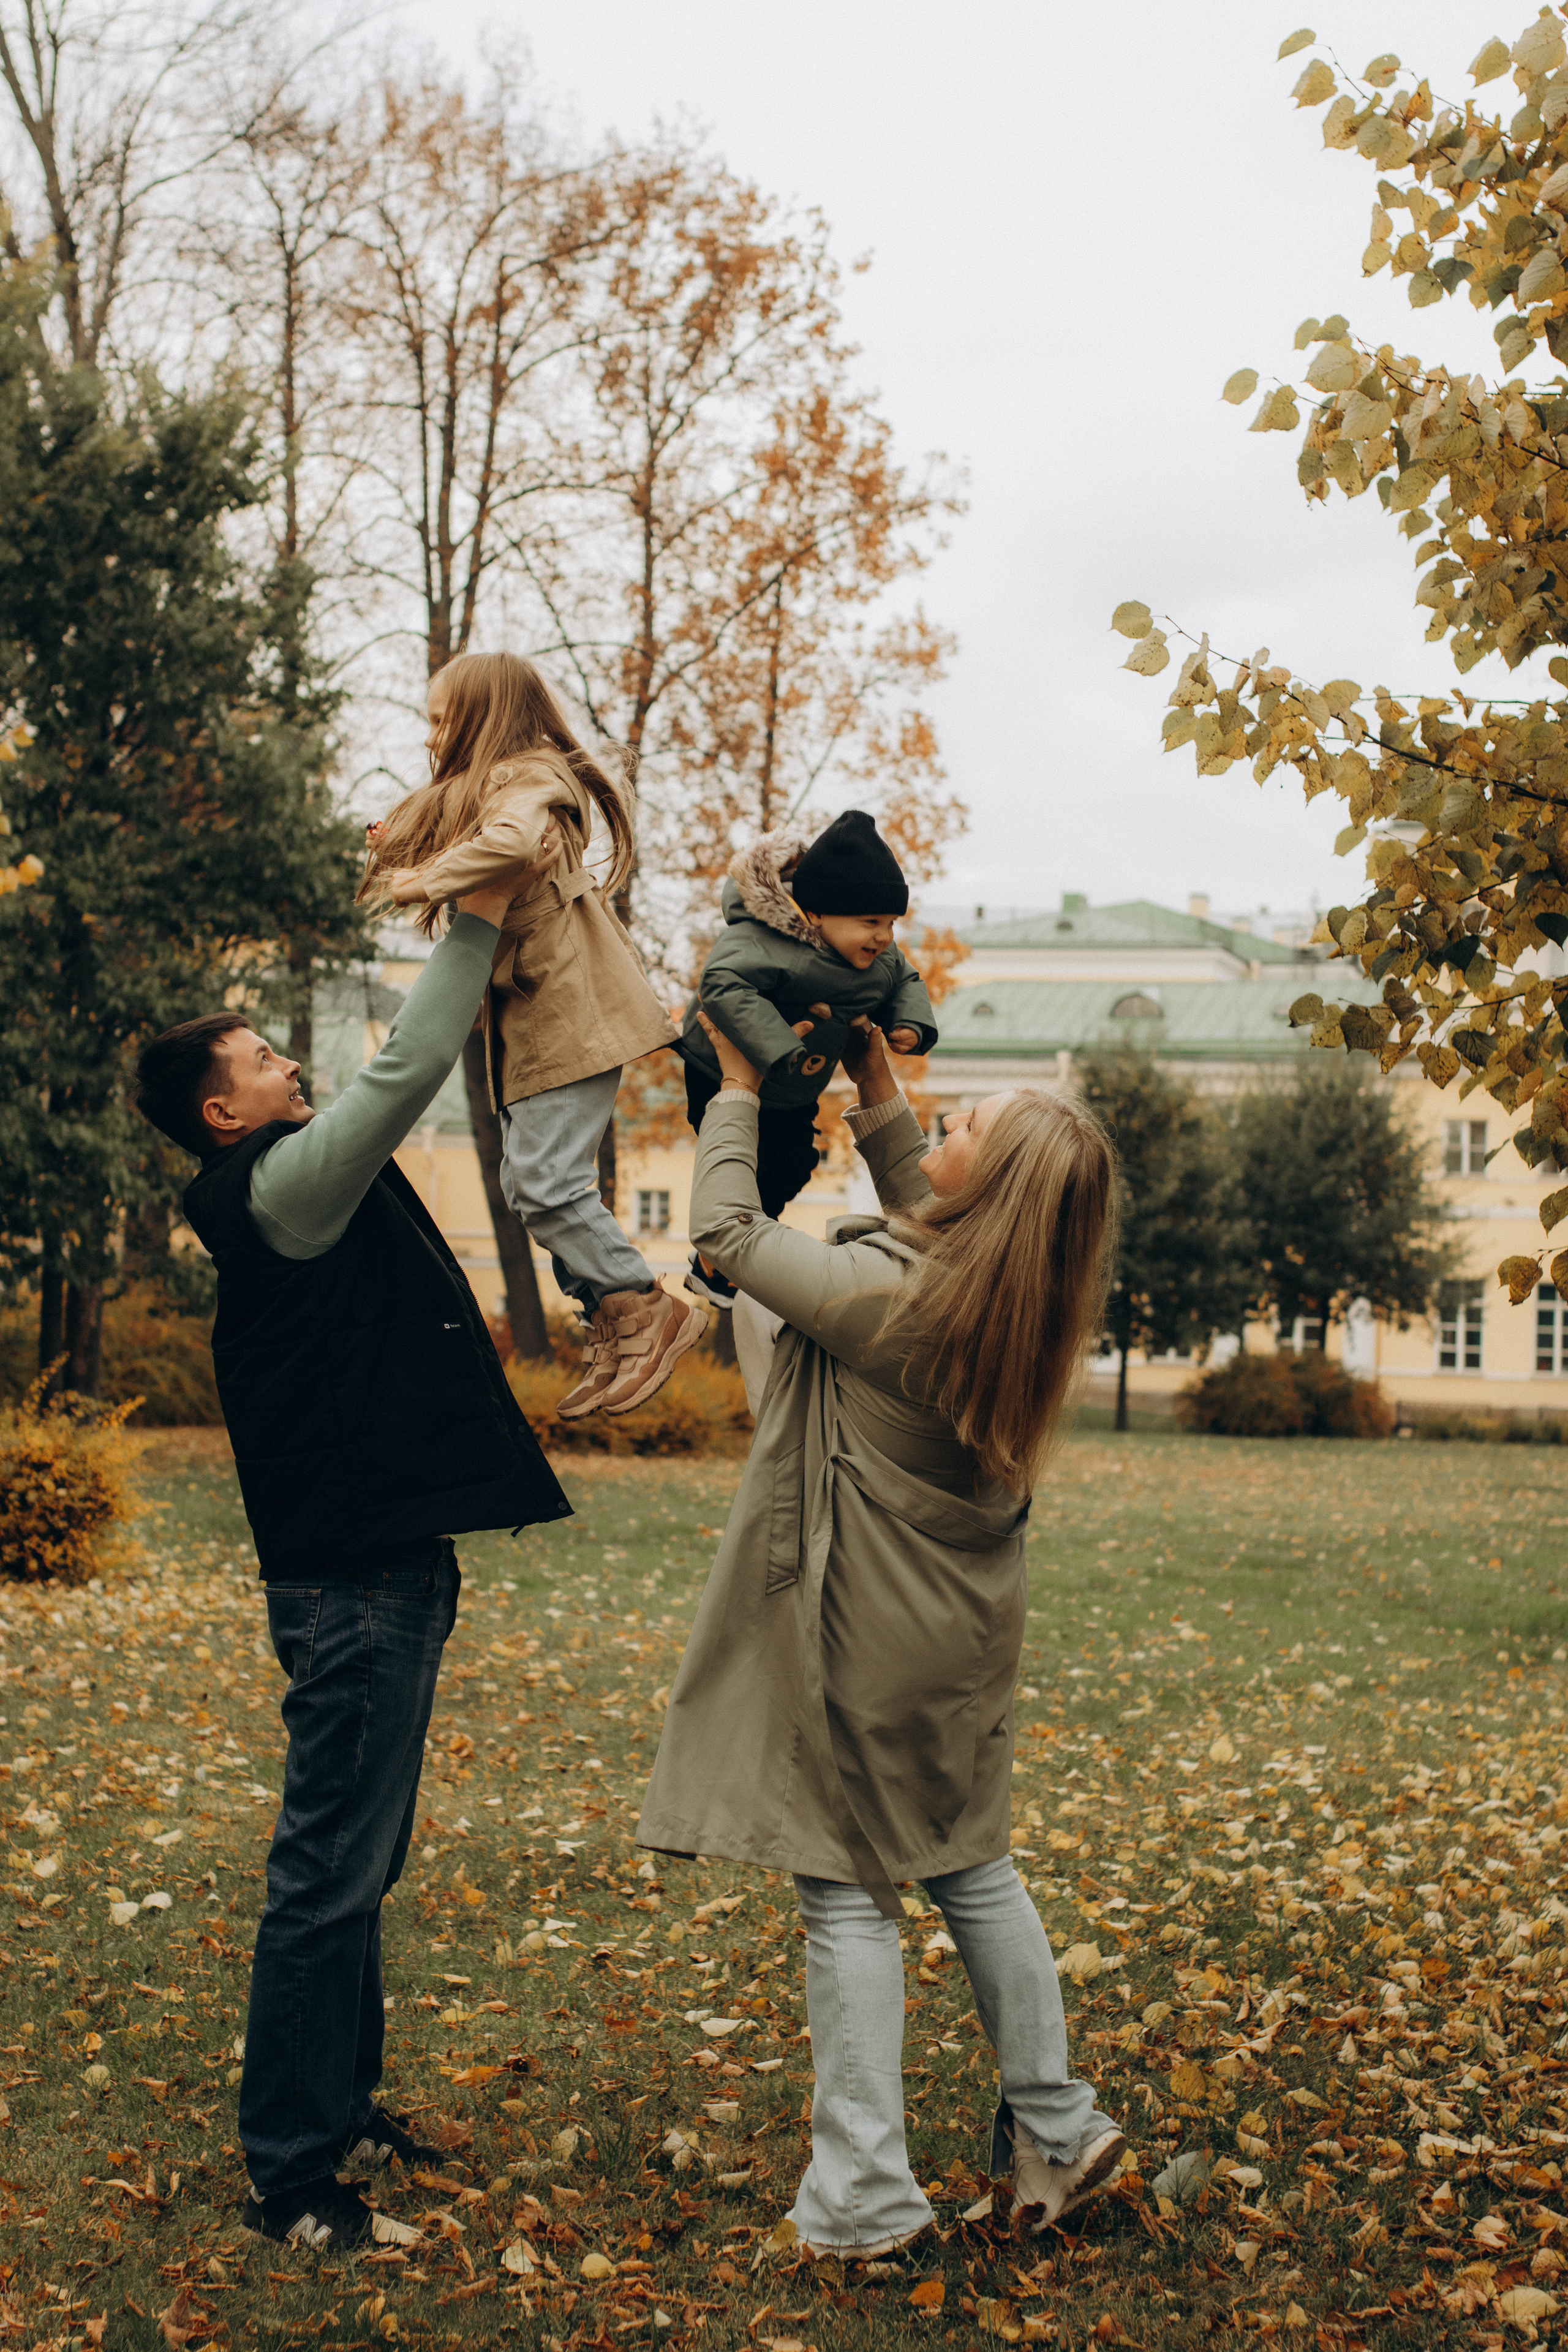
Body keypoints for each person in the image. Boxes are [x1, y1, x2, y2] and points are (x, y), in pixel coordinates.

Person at [135, 858, 571, 2254]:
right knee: (328, 1872)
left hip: (380, 1566)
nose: (289, 1063)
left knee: (356, 1867)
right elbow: (406, 1068)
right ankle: (294, 2176)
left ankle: (341, 2107)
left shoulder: (282, 1184)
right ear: (224, 1112)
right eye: (263, 1059)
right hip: (353, 1583)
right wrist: (481, 907)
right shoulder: (276, 1188)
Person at [638, 1013, 1126, 2254]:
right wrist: (873, 1084)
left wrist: (734, 1093)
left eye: (962, 1128)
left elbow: (728, 1235)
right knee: (969, 1863)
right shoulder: (1011, 1305)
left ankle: (863, 2197)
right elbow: (934, 1200)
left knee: (846, 1892)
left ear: (990, 1191)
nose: (939, 1127)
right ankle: (1056, 2122)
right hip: (960, 1635)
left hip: (868, 1630)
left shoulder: (886, 1301)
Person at [361, 650, 706, 1417]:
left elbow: (513, 845)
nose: (430, 736)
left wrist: (420, 880)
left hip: (572, 1008)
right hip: (542, 1016)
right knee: (528, 1185)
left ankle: (647, 1309)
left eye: (441, 720)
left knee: (546, 1183)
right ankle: (614, 1317)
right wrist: (395, 844)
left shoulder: (530, 780)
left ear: (482, 716)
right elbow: (471, 832)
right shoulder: (502, 785)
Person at [674, 809, 936, 1307]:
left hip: (794, 1085)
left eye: (891, 923)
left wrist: (910, 1024)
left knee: (794, 1164)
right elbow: (722, 983)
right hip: (719, 1070)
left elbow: (904, 980)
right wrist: (775, 1046)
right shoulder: (764, 938)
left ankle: (717, 1266)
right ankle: (722, 1253)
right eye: (871, 923)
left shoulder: (878, 958)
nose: (884, 937)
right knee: (743, 1161)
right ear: (816, 914)